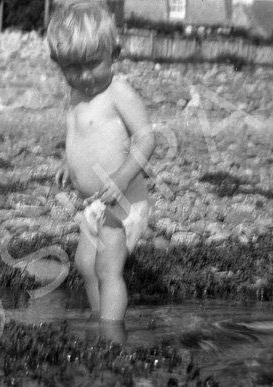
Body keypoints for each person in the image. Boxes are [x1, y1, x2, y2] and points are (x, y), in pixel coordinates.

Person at [48, 0, 155, 341]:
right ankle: (98, 320)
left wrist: (122, 177)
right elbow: (78, 130)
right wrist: (68, 161)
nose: (83, 76)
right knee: (85, 264)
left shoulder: (118, 92)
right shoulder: (77, 93)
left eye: (93, 64)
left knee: (108, 269)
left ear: (115, 53)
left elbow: (146, 138)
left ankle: (112, 335)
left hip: (122, 203)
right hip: (95, 204)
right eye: (71, 67)